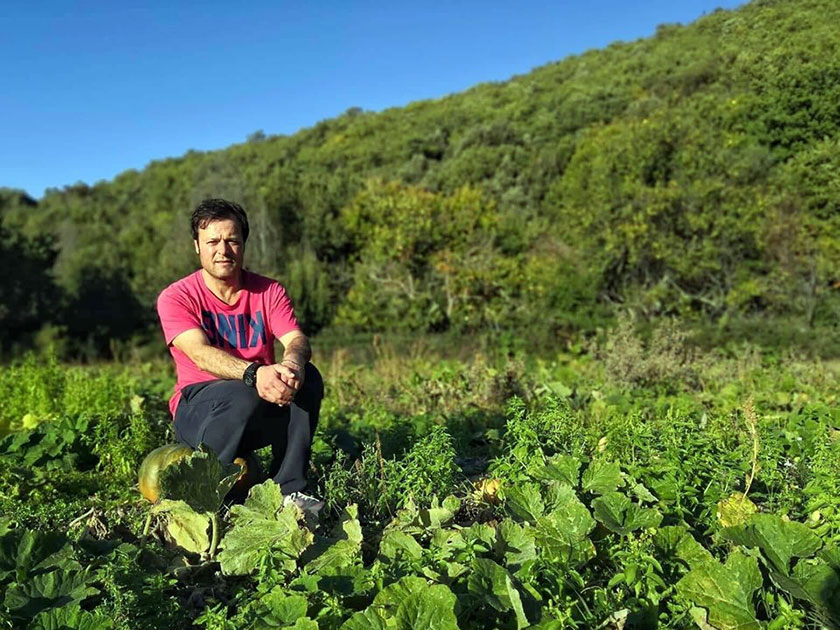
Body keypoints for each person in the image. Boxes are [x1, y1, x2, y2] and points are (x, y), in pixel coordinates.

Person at [156, 198, 324, 515]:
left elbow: (295, 338)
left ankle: (291, 492)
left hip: (257, 400)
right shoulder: (177, 296)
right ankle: (203, 501)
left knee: (308, 377)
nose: (223, 250)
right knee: (243, 393)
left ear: (244, 243)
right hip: (199, 410)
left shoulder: (269, 291)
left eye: (232, 240)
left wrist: (292, 364)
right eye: (213, 242)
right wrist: (254, 374)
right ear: (197, 246)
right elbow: (200, 354)